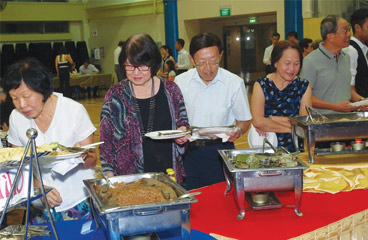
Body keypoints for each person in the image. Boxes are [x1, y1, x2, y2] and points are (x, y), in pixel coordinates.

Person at [2, 58, 97, 223]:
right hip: (39, 200)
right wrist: (38, 188)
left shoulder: (73, 111)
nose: (21, 104)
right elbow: (18, 165)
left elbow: (92, 160)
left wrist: (80, 156)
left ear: (43, 89)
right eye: (14, 98)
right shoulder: (16, 118)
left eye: (27, 96)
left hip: (78, 199)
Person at [99, 33, 189, 184]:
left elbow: (184, 124)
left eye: (142, 66)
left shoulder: (171, 90)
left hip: (168, 175)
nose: (136, 72)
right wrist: (108, 172)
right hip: (129, 180)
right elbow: (105, 139)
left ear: (153, 63)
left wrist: (182, 135)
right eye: (129, 66)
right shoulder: (116, 95)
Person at [175, 33, 252, 190]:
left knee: (222, 199)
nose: (208, 69)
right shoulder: (181, 83)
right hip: (188, 152)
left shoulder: (233, 83)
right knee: (192, 199)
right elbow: (174, 119)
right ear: (191, 59)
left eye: (213, 62)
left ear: (221, 56)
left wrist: (238, 131)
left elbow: (244, 121)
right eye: (201, 63)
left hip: (221, 152)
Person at [252, 41, 312, 152]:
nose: (292, 69)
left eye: (296, 64)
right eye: (287, 63)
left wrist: (270, 119)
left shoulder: (303, 86)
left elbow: (304, 124)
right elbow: (258, 121)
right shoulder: (262, 85)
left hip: (294, 149)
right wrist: (291, 129)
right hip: (266, 147)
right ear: (275, 63)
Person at [300, 15, 359, 114]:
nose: (349, 34)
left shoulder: (346, 57)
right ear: (330, 37)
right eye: (345, 31)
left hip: (345, 120)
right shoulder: (310, 61)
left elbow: (345, 89)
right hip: (321, 123)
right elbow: (304, 96)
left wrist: (361, 101)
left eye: (349, 30)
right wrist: (334, 107)